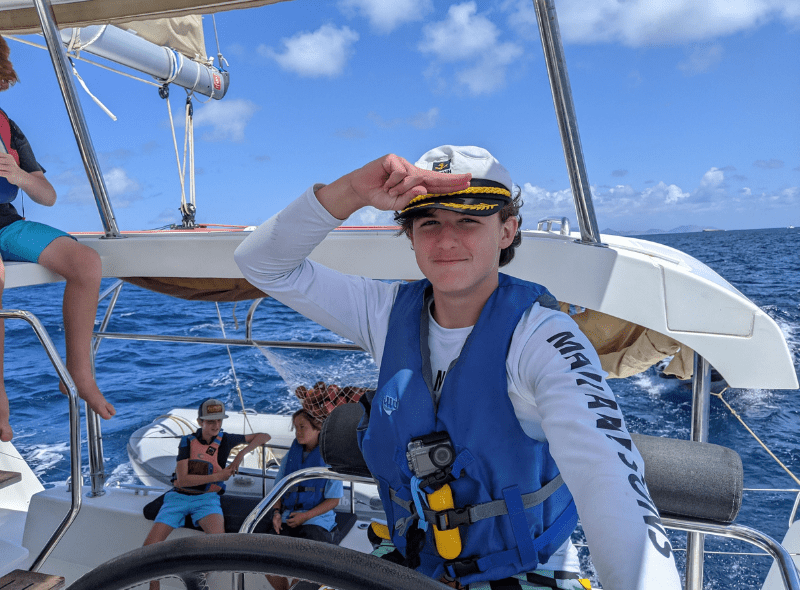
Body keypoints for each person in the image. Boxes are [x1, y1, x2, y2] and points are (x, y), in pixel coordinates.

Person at [234, 146, 681, 590]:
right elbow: (260, 263)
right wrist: (351, 190)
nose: (446, 240)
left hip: (524, 570)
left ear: (507, 230)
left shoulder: (544, 339)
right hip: (410, 561)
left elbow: (609, 477)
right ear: (410, 235)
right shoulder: (385, 313)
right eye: (428, 222)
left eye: (469, 220)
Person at [0, 34, 113, 442]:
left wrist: (18, 175)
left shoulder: (8, 128)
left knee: (87, 263)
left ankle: (79, 373)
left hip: (5, 223)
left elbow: (46, 195)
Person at [142, 398, 270, 590]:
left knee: (218, 545)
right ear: (201, 422)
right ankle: (154, 587)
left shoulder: (226, 439)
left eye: (219, 421)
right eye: (211, 421)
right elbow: (183, 480)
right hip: (178, 497)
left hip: (207, 500)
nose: (216, 425)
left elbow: (264, 436)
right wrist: (219, 476)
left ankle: (198, 580)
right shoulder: (187, 442)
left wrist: (242, 454)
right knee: (149, 550)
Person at [266, 408, 343, 590]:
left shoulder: (330, 458)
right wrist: (276, 513)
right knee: (265, 558)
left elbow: (333, 500)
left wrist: (305, 516)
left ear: (318, 427)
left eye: (302, 427)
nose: (298, 432)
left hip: (316, 521)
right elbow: (278, 490)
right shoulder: (291, 456)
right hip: (288, 518)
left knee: (308, 567)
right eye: (295, 428)